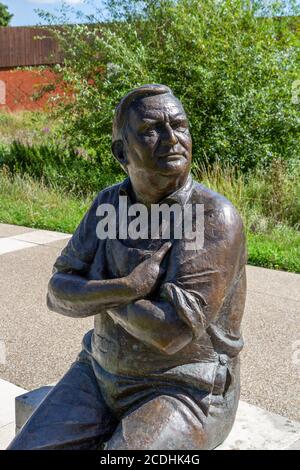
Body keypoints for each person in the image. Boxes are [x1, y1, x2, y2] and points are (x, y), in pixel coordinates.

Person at [8, 84, 246, 450]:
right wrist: (127, 287)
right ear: (122, 151)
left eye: (180, 126)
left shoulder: (212, 216)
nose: (172, 139)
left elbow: (170, 331)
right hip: (98, 373)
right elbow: (57, 293)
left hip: (186, 389)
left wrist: (100, 290)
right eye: (152, 130)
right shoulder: (108, 205)